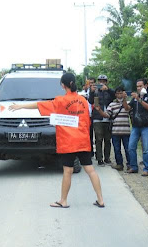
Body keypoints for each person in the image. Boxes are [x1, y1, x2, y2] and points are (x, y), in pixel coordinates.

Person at [9, 73, 105, 208]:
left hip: (68, 142)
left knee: (68, 171)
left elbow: (40, 105)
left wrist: (20, 107)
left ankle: (63, 201)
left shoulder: (60, 101)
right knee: (90, 170)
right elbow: (87, 118)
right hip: (83, 140)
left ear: (63, 85)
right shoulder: (83, 100)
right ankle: (100, 199)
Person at [125, 78, 148, 176]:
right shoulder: (134, 98)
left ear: (146, 86)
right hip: (135, 126)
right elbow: (127, 108)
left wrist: (139, 99)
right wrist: (123, 99)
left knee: (146, 149)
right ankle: (134, 167)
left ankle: (146, 168)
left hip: (146, 126)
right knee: (131, 147)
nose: (138, 88)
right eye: (137, 86)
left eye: (140, 86)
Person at [88, 74, 115, 165]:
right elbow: (90, 101)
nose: (102, 83)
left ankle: (107, 158)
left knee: (107, 139)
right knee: (98, 139)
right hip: (97, 118)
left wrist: (108, 89)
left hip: (108, 117)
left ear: (106, 82)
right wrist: (92, 92)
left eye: (103, 81)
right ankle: (99, 158)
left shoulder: (109, 91)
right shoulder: (95, 91)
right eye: (100, 81)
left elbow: (115, 95)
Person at [106, 86, 131, 171]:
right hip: (115, 130)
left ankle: (130, 164)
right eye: (118, 93)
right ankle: (119, 164)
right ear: (115, 94)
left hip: (126, 131)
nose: (119, 95)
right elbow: (107, 115)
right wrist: (99, 111)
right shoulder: (112, 104)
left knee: (128, 148)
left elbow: (127, 109)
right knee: (117, 149)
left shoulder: (128, 102)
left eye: (121, 93)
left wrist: (124, 99)